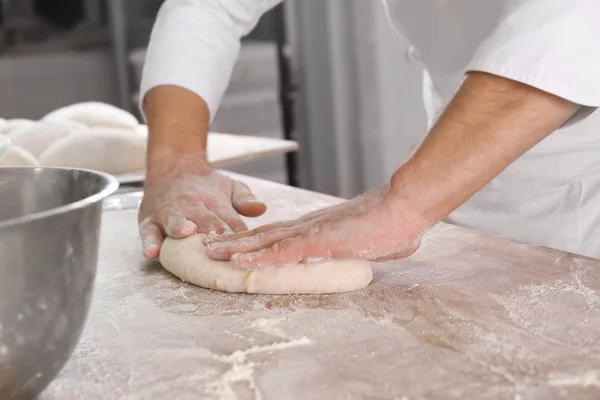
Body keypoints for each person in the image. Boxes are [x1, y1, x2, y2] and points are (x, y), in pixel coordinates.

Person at [138, 0, 600, 268]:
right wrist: (175, 160)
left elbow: (569, 31)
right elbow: (210, 5)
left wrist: (402, 206)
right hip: (461, 174)